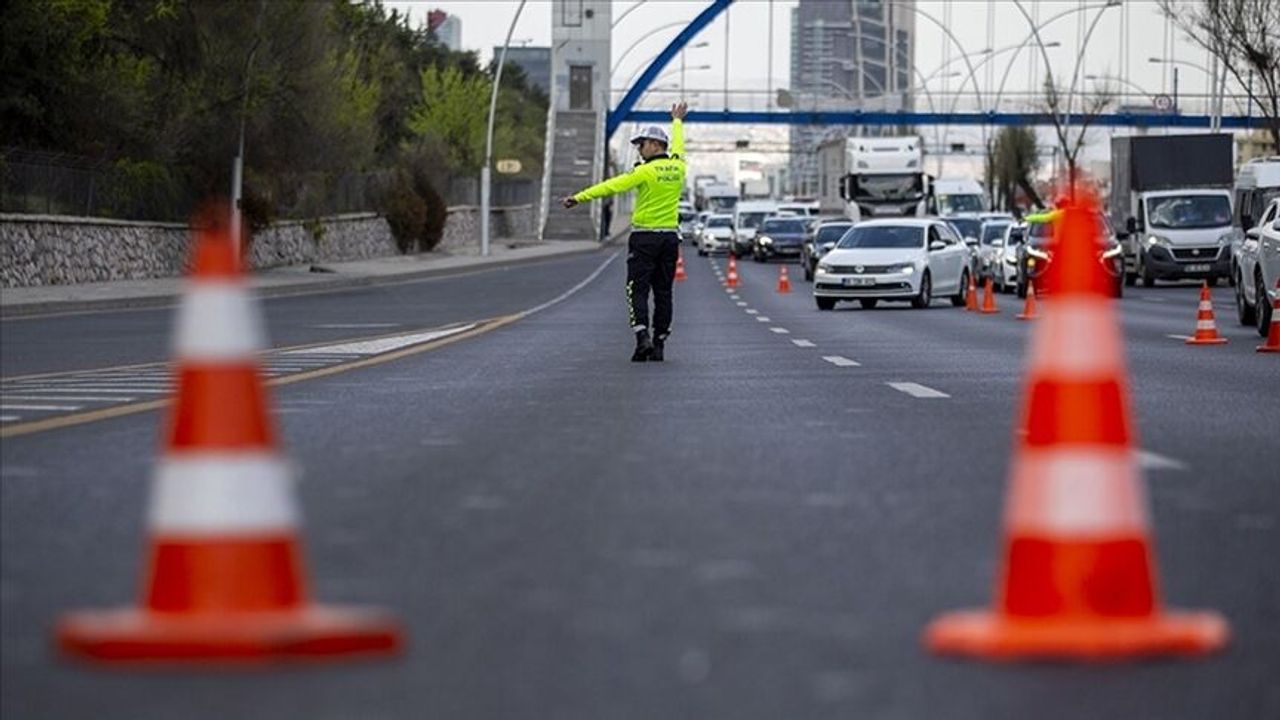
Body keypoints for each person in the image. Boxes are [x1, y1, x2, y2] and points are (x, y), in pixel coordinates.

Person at [563, 102, 688, 362]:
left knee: (637, 289)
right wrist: (677, 120)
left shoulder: (644, 172)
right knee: (664, 292)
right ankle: (660, 342)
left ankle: (642, 337)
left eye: (641, 144)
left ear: (655, 144)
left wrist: (579, 197)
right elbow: (679, 145)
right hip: (669, 239)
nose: (639, 150)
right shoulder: (679, 167)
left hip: (644, 238)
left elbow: (611, 186)